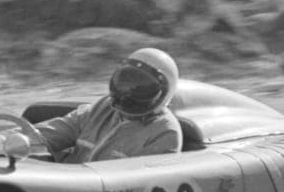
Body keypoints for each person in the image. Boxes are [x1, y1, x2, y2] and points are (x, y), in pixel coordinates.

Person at [35, 47, 183, 163]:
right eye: (125, 81)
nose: (127, 93)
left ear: (163, 95)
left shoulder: (165, 132)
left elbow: (139, 184)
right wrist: (18, 140)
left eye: (141, 89)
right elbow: (52, 133)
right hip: (65, 190)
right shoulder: (103, 107)